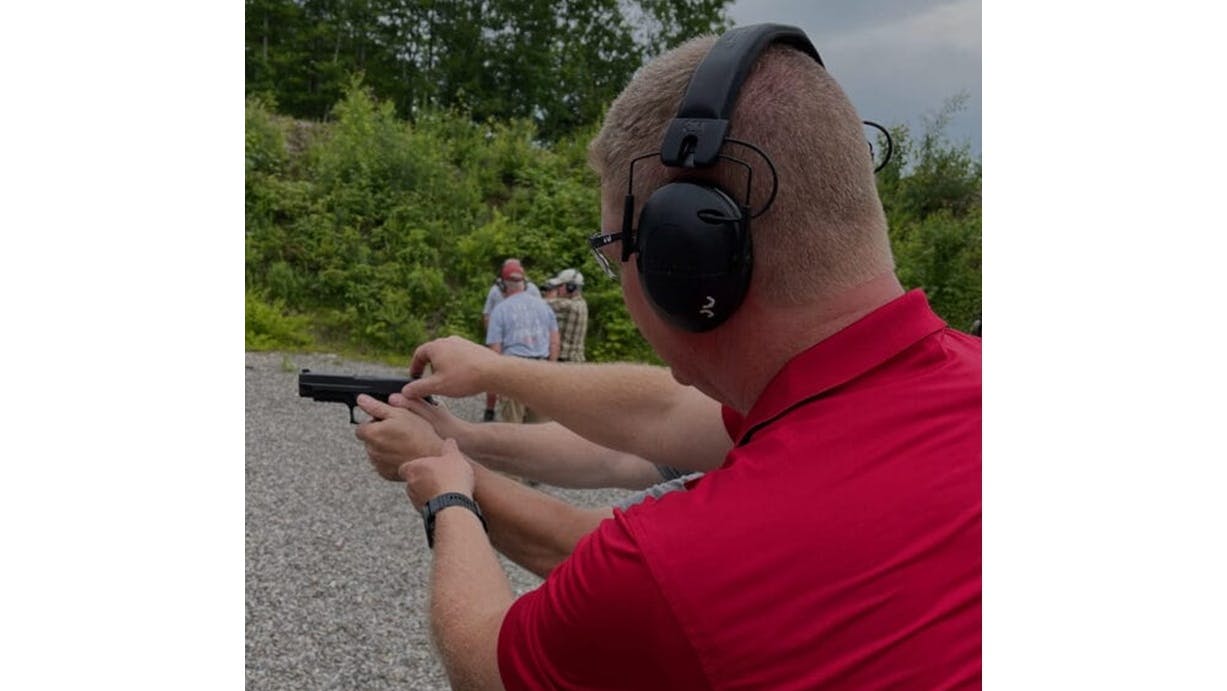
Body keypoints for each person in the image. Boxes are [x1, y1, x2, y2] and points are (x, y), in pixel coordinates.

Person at [378, 26, 981, 689]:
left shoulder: (676, 563)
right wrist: (471, 415)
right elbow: (664, 416)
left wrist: (447, 494)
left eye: (614, 255)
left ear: (685, 258)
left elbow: (483, 659)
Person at [484, 261, 559, 424]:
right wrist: (551, 370)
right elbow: (554, 342)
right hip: (541, 369)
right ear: (524, 283)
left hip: (513, 370)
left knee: (513, 430)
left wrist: (498, 382)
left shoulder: (499, 310)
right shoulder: (544, 306)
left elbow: (495, 352)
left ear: (503, 285)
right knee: (539, 430)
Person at [480, 258, 541, 421]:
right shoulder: (496, 291)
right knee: (494, 373)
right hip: (502, 338)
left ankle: (524, 410)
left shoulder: (532, 289)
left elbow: (539, 314)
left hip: (525, 339)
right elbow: (487, 315)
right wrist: (493, 337)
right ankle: (490, 409)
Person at [543, 268, 588, 363]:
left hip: (565, 360)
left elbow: (537, 304)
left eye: (560, 286)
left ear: (570, 287)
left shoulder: (568, 305)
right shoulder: (582, 303)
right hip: (576, 360)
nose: (558, 289)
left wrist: (550, 296)